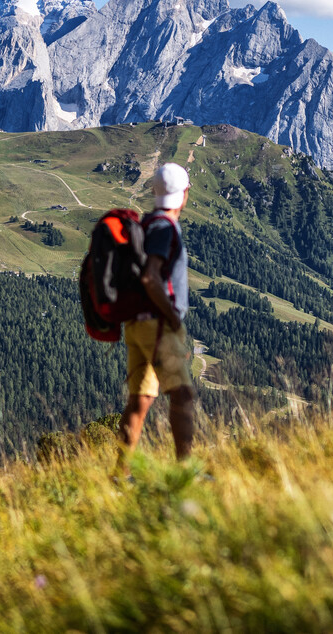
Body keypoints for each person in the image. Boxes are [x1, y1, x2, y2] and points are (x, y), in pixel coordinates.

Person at [117, 163, 197, 461]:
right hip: (158, 325)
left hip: (136, 324)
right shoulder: (165, 227)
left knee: (140, 400)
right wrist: (173, 316)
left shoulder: (147, 223)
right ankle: (185, 468)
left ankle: (120, 472)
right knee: (182, 394)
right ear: (184, 193)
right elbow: (151, 277)